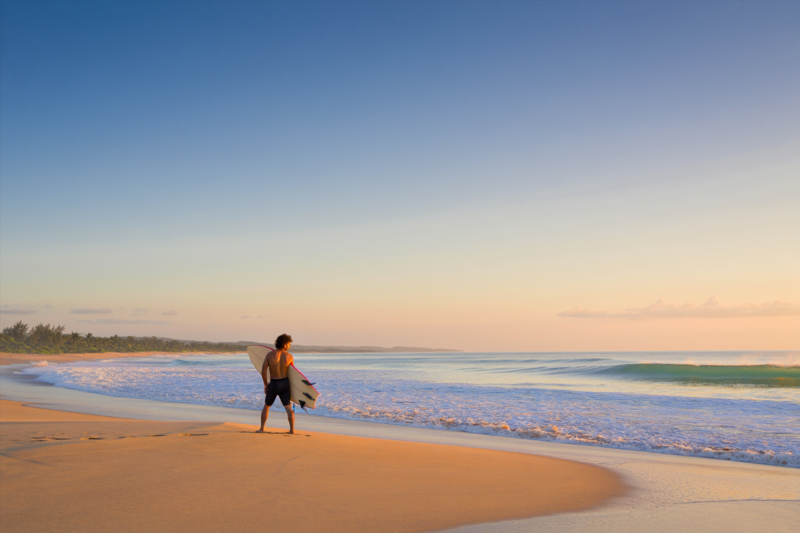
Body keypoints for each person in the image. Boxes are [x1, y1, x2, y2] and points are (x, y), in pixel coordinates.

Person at [257, 334, 296, 434]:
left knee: (267, 406)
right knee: (288, 408)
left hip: (274, 384)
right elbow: (293, 374)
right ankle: (291, 430)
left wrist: (266, 385)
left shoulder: (269, 355)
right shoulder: (290, 357)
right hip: (285, 384)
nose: (289, 346)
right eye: (289, 344)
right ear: (284, 344)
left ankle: (262, 429)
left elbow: (263, 372)